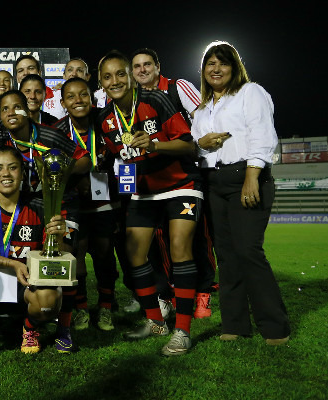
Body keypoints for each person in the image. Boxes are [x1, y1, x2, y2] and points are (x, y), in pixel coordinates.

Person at [95, 50, 201, 356]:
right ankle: (155, 321)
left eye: (120, 74)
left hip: (180, 184)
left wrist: (154, 144)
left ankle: (182, 330)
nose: (114, 81)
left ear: (130, 77)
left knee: (180, 249)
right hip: (143, 191)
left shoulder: (155, 100)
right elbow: (118, 158)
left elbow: (187, 143)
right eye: (107, 76)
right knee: (134, 253)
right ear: (101, 84)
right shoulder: (105, 120)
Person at [192, 41, 290, 345]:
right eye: (210, 64)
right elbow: (197, 147)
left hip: (245, 177)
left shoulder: (251, 92)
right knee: (227, 255)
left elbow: (263, 134)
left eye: (223, 63)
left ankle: (275, 326)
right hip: (214, 182)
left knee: (248, 250)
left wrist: (252, 177)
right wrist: (200, 144)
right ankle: (234, 324)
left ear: (234, 67)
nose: (216, 69)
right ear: (203, 70)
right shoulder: (202, 107)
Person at [0, 144, 75, 364]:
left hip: (27, 284)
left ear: (22, 173)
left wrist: (58, 237)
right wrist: (12, 264)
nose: (5, 174)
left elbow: (60, 258)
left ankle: (29, 329)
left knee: (49, 297)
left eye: (12, 168)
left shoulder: (41, 205)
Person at [131, 47, 216, 319]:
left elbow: (204, 114)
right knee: (160, 243)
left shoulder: (176, 87)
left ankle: (204, 292)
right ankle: (168, 293)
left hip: (184, 172)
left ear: (157, 66)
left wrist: (196, 145)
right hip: (151, 181)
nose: (142, 70)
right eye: (137, 66)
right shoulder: (132, 102)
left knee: (196, 240)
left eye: (147, 64)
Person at [54, 77, 119, 331]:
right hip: (74, 203)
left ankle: (105, 307)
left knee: (104, 254)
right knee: (75, 256)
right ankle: (80, 307)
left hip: (103, 199)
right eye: (71, 96)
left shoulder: (104, 124)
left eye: (83, 95)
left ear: (91, 98)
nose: (78, 100)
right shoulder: (58, 131)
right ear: (63, 102)